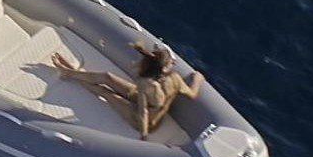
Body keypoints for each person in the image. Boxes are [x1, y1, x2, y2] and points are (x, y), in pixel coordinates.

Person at [50, 41, 204, 139]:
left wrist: (143, 135)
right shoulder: (174, 79)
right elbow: (192, 94)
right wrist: (197, 79)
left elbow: (143, 112)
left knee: (106, 93)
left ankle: (69, 73)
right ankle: (70, 72)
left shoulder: (148, 83)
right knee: (108, 77)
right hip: (147, 106)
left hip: (145, 121)